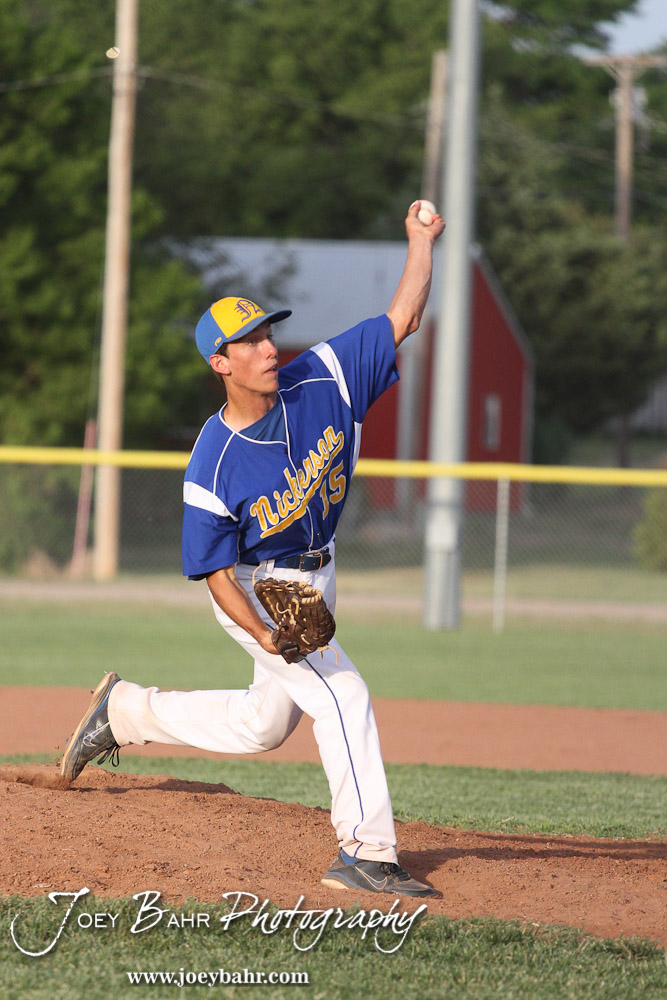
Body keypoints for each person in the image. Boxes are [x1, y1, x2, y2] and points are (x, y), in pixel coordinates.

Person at [60, 201, 445, 897]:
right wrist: (262, 630)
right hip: (260, 586)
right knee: (343, 694)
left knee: (262, 725)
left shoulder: (323, 378)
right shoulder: (213, 461)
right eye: (251, 340)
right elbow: (211, 572)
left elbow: (403, 320)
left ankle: (124, 712)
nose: (269, 347)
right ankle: (366, 852)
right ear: (220, 361)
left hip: (320, 575)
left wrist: (420, 242)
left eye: (268, 333)